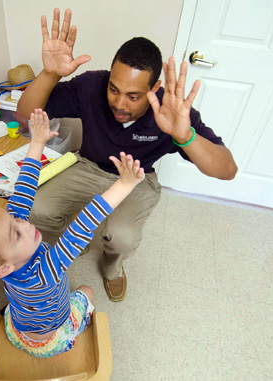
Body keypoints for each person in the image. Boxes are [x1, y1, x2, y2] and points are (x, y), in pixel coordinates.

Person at [17, 8, 238, 302]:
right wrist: (49, 74)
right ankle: (74, 240)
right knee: (35, 208)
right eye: (114, 89)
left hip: (136, 177)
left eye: (133, 96)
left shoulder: (171, 109)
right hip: (88, 167)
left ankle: (112, 268)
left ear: (154, 88)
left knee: (121, 237)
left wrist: (184, 136)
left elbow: (227, 170)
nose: (120, 104)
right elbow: (23, 117)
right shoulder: (91, 85)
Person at [0, 109, 146, 358]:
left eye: (14, 219)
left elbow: (24, 189)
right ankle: (72, 330)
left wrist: (37, 142)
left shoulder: (4, 261)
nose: (25, 224)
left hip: (16, 328)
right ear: (3, 268)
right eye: (16, 233)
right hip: (52, 340)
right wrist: (124, 184)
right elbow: (82, 226)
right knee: (86, 291)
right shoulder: (44, 273)